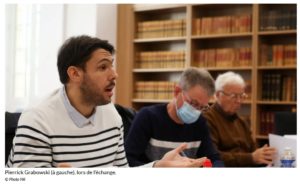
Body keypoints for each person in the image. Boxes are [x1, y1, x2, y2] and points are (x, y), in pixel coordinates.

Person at [6, 35, 207, 168]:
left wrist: (156, 167)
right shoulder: (37, 121)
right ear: (75, 74)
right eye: (103, 68)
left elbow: (120, 175)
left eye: (112, 66)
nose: (115, 75)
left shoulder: (111, 115)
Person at [125, 67, 223, 167]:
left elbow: (214, 158)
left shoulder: (200, 122)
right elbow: (128, 161)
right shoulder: (148, 117)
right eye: (193, 103)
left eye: (202, 107)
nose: (196, 111)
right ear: (177, 92)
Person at [203, 71, 276, 167]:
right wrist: (251, 158)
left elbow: (253, 150)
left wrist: (264, 154)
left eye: (242, 96)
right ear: (217, 95)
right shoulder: (207, 119)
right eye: (234, 96)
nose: (239, 101)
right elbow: (212, 156)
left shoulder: (242, 121)